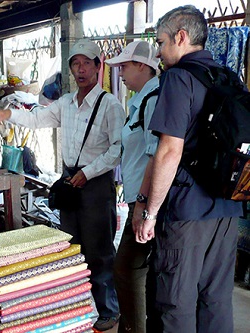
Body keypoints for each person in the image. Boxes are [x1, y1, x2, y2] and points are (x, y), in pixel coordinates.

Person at [0, 39, 125, 331]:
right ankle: (79, 306)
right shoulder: (66, 103)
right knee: (71, 246)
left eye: (87, 63)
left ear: (98, 67)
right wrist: (8, 114)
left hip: (96, 184)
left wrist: (88, 172)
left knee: (98, 250)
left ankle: (108, 310)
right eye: (76, 64)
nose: (81, 69)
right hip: (70, 181)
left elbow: (117, 150)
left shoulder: (109, 104)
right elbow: (37, 118)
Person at [135, 5, 243, 333]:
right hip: (227, 206)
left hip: (187, 210)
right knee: (217, 298)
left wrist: (150, 212)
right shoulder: (227, 76)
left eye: (160, 41)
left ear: (181, 38)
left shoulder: (178, 78)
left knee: (175, 301)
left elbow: (169, 151)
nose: (158, 50)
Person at [104, 41, 160, 333]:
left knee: (126, 269)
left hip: (147, 203)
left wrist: (143, 206)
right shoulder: (140, 100)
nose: (121, 73)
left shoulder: (153, 101)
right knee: (135, 270)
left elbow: (156, 155)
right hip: (141, 200)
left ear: (142, 66)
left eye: (125, 67)